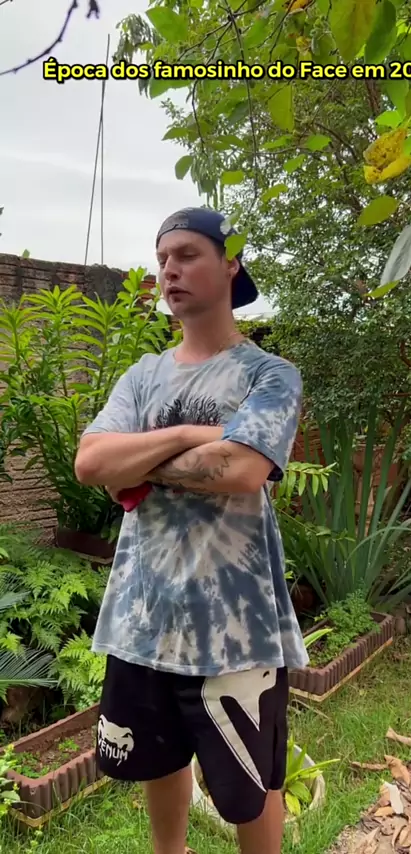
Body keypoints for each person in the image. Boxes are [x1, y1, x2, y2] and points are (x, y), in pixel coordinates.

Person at [74, 206, 308, 854]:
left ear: (230, 263)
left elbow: (242, 469)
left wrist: (138, 460)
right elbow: (91, 462)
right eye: (161, 259)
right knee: (159, 761)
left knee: (252, 785)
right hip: (143, 619)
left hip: (235, 630)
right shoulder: (143, 375)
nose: (168, 270)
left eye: (186, 254)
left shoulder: (269, 375)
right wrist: (187, 434)